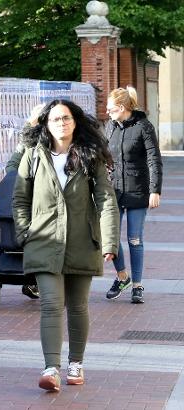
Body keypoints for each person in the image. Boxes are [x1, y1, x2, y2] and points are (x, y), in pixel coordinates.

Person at [13, 100, 119, 392]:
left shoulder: (90, 155)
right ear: (46, 123)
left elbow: (107, 199)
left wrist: (109, 240)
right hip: (44, 241)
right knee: (49, 303)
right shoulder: (33, 156)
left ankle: (76, 363)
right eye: (56, 119)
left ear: (75, 122)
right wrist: (25, 233)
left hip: (82, 241)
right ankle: (51, 368)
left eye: (67, 118)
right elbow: (20, 199)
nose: (62, 123)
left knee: (77, 306)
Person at [105, 86, 163, 304]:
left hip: (138, 191)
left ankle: (137, 285)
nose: (107, 113)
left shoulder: (143, 127)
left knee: (134, 239)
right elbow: (103, 155)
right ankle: (122, 276)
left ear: (121, 108)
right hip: (114, 191)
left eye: (110, 110)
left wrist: (155, 190)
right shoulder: (110, 127)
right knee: (110, 237)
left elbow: (154, 160)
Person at [5, 103, 45, 300]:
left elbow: (11, 165)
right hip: (31, 200)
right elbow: (12, 165)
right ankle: (33, 280)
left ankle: (34, 280)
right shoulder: (30, 141)